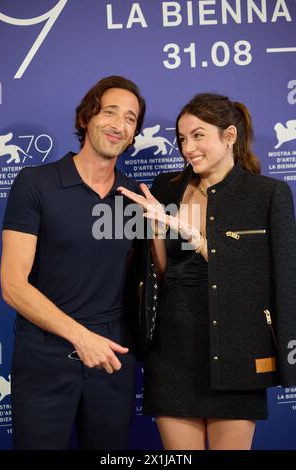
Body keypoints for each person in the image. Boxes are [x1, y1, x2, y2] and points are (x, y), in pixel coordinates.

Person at [117, 93, 296, 450]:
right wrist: (155, 230)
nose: (188, 148)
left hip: (237, 354)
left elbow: (274, 280)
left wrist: (195, 237)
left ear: (229, 136)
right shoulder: (166, 187)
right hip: (174, 352)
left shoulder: (267, 194)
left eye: (198, 136)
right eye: (182, 138)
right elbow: (162, 275)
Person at [0, 76, 146, 450]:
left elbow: (145, 276)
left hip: (112, 359)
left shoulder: (133, 198)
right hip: (44, 357)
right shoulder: (36, 183)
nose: (119, 124)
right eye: (109, 111)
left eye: (130, 118)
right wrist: (81, 337)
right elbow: (13, 285)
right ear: (85, 118)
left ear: (134, 134)